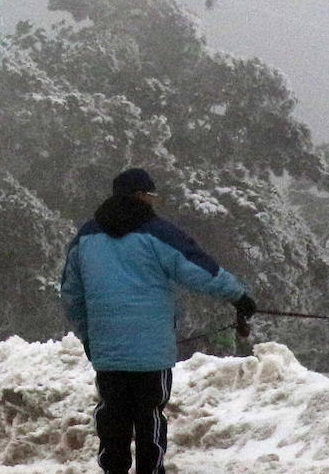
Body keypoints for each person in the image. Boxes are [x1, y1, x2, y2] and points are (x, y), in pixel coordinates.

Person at [60, 167, 257, 474]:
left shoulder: (85, 237)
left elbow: (72, 295)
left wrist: (89, 337)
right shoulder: (158, 233)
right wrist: (239, 296)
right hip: (151, 353)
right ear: (140, 195)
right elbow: (199, 269)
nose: (154, 202)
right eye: (152, 195)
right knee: (150, 418)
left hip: (108, 350)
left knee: (112, 419)